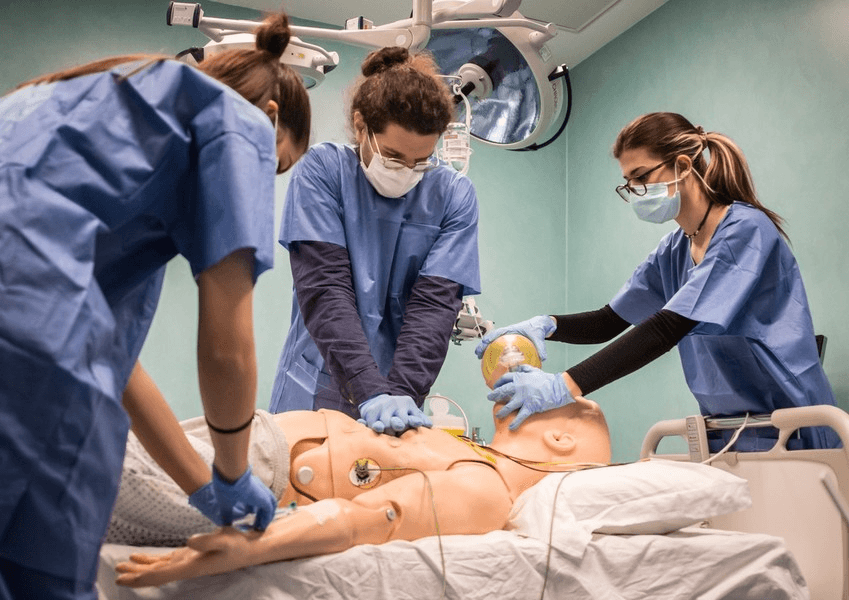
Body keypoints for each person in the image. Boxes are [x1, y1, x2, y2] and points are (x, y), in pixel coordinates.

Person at [0, 12, 311, 599]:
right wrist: (234, 468)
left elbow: (113, 366)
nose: (260, 184)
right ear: (269, 120)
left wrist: (204, 488)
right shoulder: (239, 123)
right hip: (26, 361)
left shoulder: (80, 98)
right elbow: (227, 346)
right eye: (275, 168)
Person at [476, 112, 838, 451]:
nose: (634, 190)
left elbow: (667, 328)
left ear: (682, 166)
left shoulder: (745, 231)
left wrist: (563, 386)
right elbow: (609, 321)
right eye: (628, 182)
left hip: (794, 421)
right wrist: (544, 326)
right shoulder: (674, 250)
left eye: (641, 176)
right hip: (731, 430)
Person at [112, 394, 611, 588]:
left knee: (68, 463)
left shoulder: (488, 492)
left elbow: (359, 519)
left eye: (548, 393)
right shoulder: (471, 453)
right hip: (242, 445)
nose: (516, 383)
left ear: (561, 438)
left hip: (247, 482)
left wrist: (242, 549)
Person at [269, 46, 481, 436]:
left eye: (422, 161)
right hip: (317, 383)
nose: (407, 172)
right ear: (361, 125)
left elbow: (434, 307)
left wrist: (401, 392)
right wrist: (368, 391)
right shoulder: (324, 172)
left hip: (399, 396)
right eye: (395, 156)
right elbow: (325, 289)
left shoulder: (453, 196)